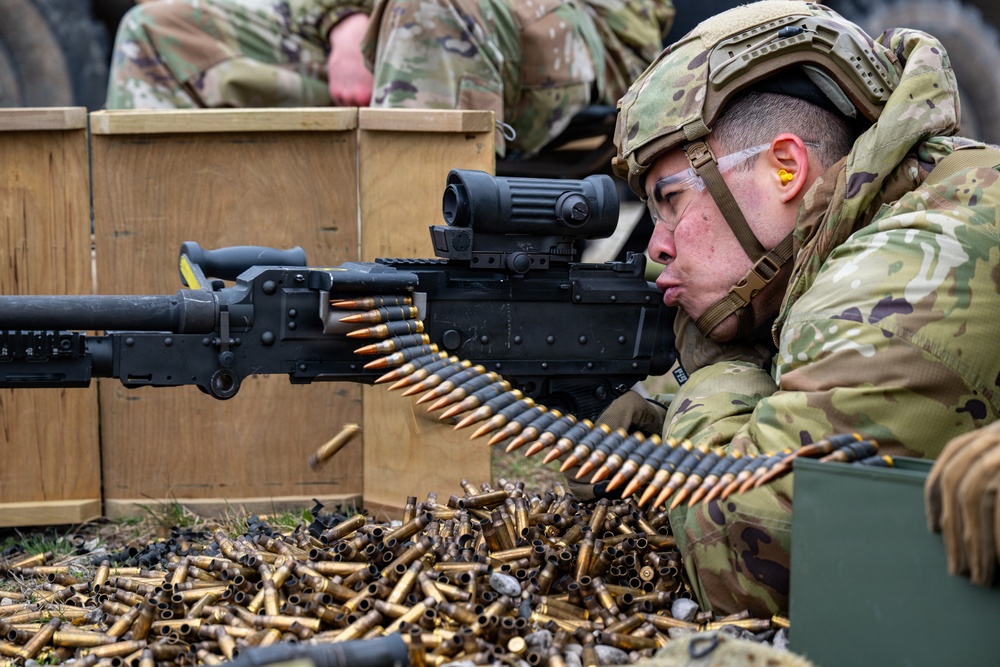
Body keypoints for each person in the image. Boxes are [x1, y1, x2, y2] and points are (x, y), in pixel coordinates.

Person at [603, 0, 1000, 616]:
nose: (656, 245)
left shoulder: (917, 257)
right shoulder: (919, 200)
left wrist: (718, 370)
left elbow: (742, 551)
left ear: (784, 170)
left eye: (671, 200)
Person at [105, 0, 674, 157]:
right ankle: (156, 292)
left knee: (428, 12)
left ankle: (402, 302)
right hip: (379, 19)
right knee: (160, 31)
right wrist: (344, 21)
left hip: (577, 24)